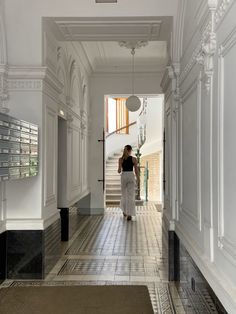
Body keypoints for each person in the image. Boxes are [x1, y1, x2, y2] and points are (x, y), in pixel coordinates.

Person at [118, 145, 139, 221]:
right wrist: (138, 179)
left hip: (124, 176)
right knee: (131, 195)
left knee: (124, 194)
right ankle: (129, 214)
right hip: (130, 175)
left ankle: (124, 211)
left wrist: (120, 166)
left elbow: (119, 171)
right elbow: (136, 171)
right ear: (130, 150)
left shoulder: (121, 159)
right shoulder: (134, 159)